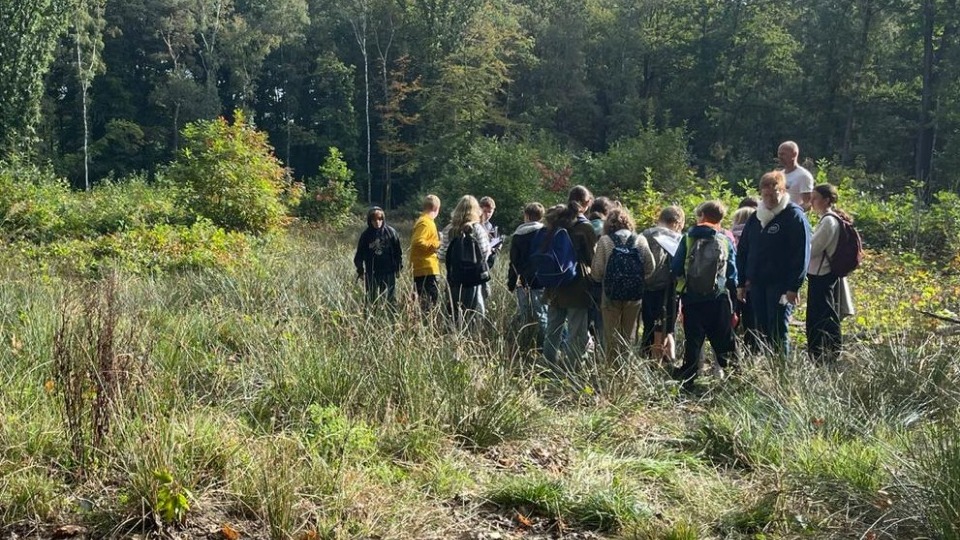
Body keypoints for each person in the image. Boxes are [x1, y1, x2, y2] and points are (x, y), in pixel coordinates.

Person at [737, 171, 812, 354]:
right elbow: (744, 250)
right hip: (756, 283)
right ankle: (767, 370)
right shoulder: (756, 218)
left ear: (782, 190)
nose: (770, 198)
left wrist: (794, 286)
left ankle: (781, 371)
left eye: (774, 194)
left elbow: (801, 254)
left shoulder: (793, 216)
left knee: (778, 328)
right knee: (761, 328)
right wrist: (741, 282)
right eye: (766, 195)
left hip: (781, 285)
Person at [671, 200, 739, 388]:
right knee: (725, 341)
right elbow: (733, 273)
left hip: (692, 298)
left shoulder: (687, 238)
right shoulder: (725, 239)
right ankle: (736, 377)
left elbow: (676, 267)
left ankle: (689, 379)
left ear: (701, 216)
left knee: (693, 341)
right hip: (718, 298)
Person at [542, 185, 598, 373]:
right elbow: (592, 258)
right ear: (587, 202)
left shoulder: (554, 221)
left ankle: (548, 366)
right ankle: (573, 369)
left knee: (553, 328)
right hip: (577, 285)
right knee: (576, 330)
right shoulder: (585, 227)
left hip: (554, 284)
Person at [591, 207, 654, 362]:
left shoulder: (605, 241)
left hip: (610, 294)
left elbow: (596, 272)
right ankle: (627, 368)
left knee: (611, 337)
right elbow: (650, 267)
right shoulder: (640, 240)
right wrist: (637, 278)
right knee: (629, 336)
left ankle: (612, 371)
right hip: (634, 295)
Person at [807, 184, 851, 363]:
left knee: (823, 313)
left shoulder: (828, 221)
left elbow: (813, 249)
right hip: (822, 272)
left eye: (815, 198)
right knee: (823, 312)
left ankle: (828, 351)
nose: (812, 202)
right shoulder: (829, 219)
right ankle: (824, 351)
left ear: (826, 200)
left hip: (822, 274)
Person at [640, 206, 685, 362]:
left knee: (648, 326)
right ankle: (665, 361)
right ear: (677, 223)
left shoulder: (644, 235)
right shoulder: (678, 240)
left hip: (645, 288)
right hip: (668, 290)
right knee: (666, 328)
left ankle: (645, 358)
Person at [439, 195, 492, 325]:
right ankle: (472, 340)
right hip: (474, 278)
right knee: (474, 314)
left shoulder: (449, 229)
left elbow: (441, 256)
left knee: (454, 312)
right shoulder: (478, 229)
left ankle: (455, 337)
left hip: (454, 277)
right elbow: (485, 253)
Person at [508, 202, 548, 347]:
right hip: (541, 280)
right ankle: (543, 346)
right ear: (541, 217)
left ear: (526, 215)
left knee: (524, 314)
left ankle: (524, 343)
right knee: (542, 314)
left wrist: (511, 283)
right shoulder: (545, 233)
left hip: (523, 281)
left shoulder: (518, 235)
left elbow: (513, 262)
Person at [354, 206, 403, 305]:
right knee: (371, 300)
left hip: (388, 271)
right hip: (372, 272)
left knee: (390, 299)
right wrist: (360, 270)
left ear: (383, 219)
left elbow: (398, 252)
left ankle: (391, 318)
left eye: (380, 219)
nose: (377, 222)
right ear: (370, 220)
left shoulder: (391, 233)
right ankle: (371, 318)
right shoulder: (366, 235)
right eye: (374, 219)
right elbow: (359, 255)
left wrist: (398, 267)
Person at [586, 196, 616, 348]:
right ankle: (602, 358)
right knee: (601, 324)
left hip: (584, 280)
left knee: (584, 321)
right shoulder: (609, 230)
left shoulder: (583, 226)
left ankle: (581, 354)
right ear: (607, 211)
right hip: (603, 282)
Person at [410, 194, 442, 312]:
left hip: (422, 269)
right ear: (436, 209)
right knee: (429, 307)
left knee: (425, 305)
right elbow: (418, 242)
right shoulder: (426, 222)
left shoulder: (422, 221)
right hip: (426, 270)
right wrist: (437, 244)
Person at [778, 141, 814, 211]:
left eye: (783, 154)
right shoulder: (780, 175)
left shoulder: (803, 176)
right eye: (779, 154)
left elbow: (808, 203)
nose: (780, 157)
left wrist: (793, 212)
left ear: (794, 154)